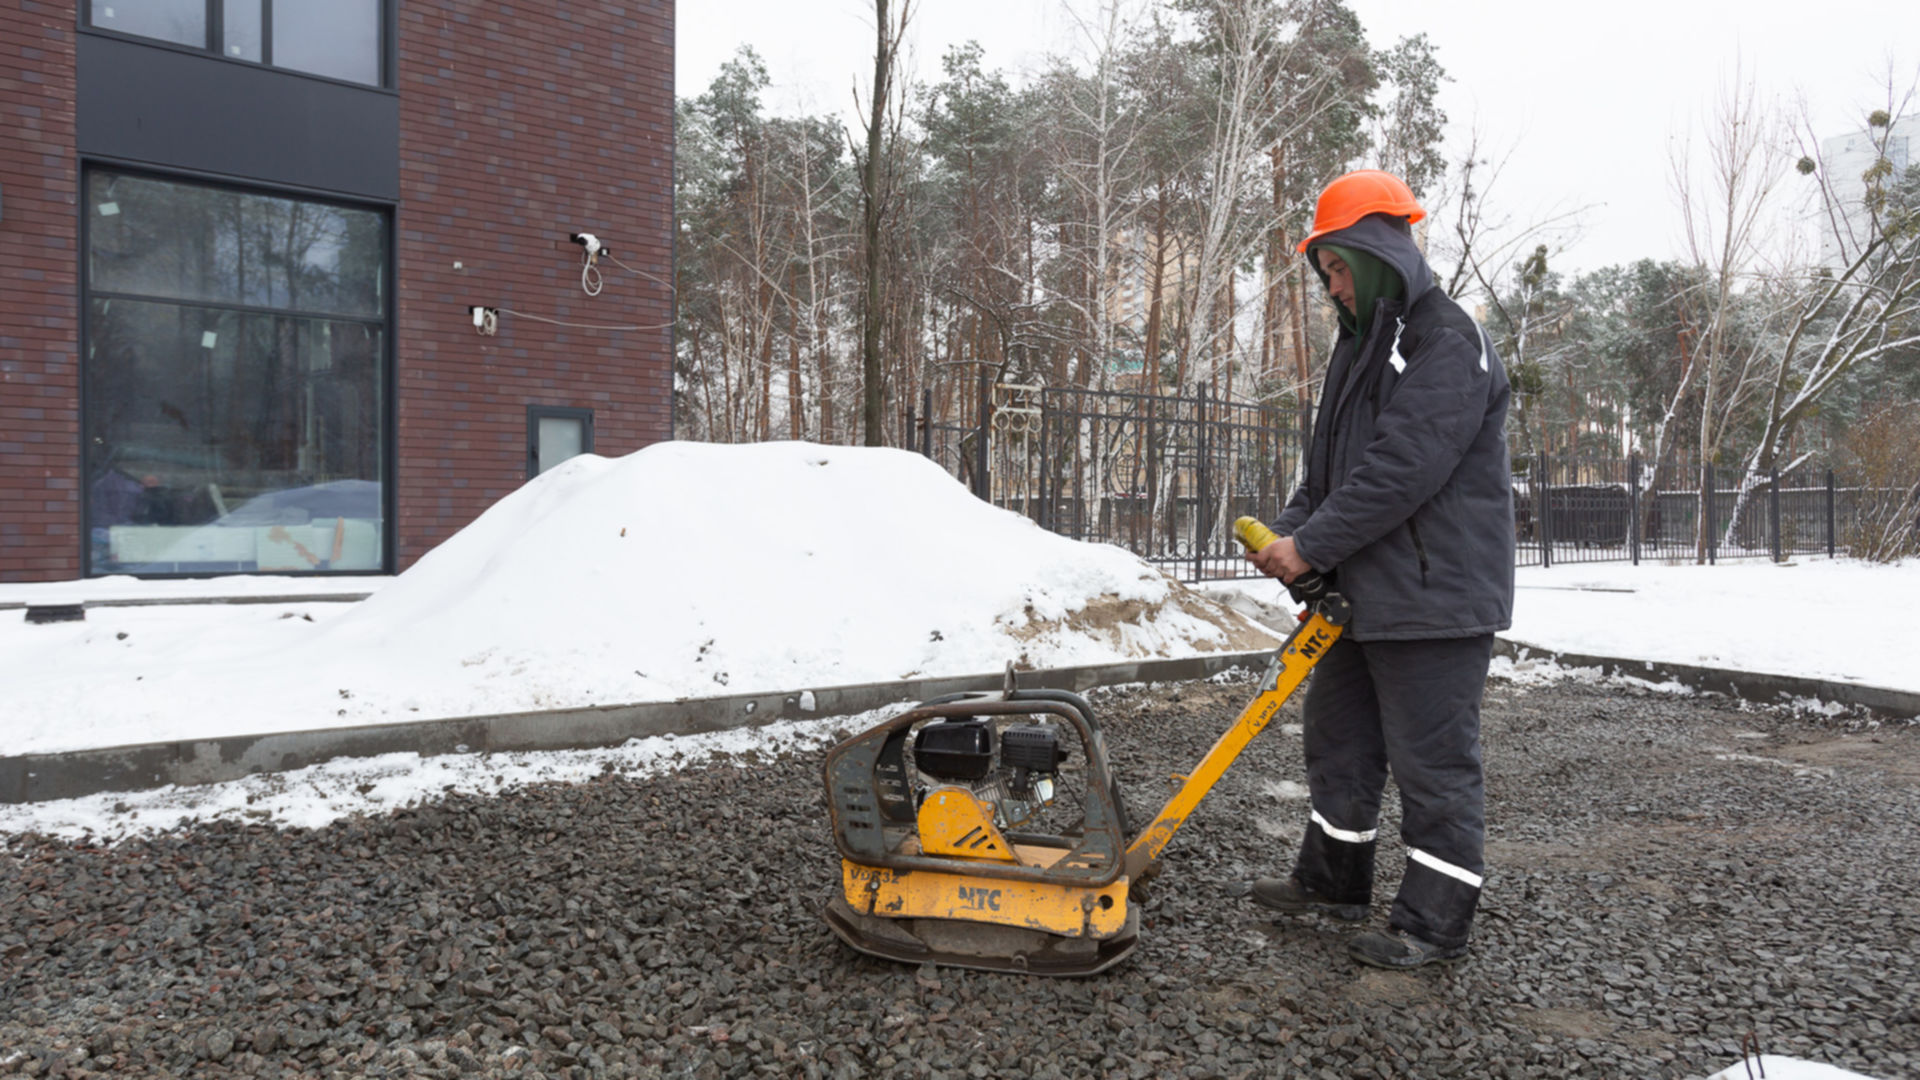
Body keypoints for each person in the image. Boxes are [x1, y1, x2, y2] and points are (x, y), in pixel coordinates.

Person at [1244, 169, 1514, 969]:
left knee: (1433, 763)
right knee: (1340, 742)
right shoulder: (1360, 349)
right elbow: (1329, 471)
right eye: (1324, 271)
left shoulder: (1445, 339)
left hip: (1435, 599)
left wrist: (1314, 545)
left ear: (1376, 251)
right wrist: (1289, 535)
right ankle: (1334, 878)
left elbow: (1402, 469)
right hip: (1363, 596)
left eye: (1338, 268)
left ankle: (1433, 924)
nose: (1332, 286)